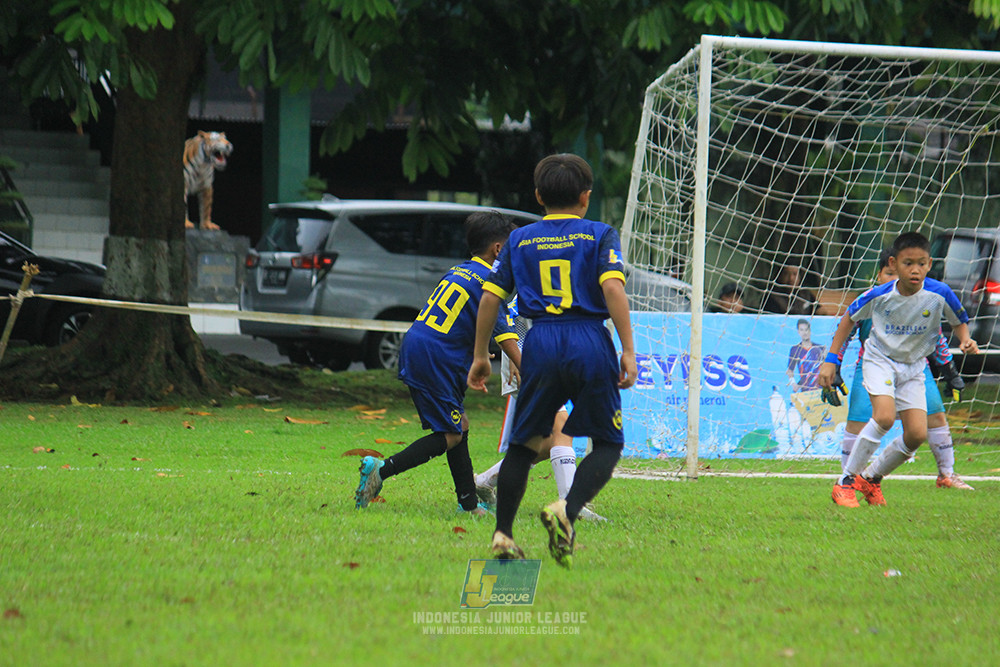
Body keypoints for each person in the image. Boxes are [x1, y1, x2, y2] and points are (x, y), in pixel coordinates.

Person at [468, 153, 637, 568]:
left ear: (539, 195)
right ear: (586, 196)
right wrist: (628, 349)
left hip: (539, 340)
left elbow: (491, 297)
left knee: (523, 447)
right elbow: (613, 289)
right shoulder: (599, 234)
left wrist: (479, 355)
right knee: (609, 442)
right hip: (587, 338)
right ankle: (568, 507)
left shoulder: (520, 239)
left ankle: (503, 535)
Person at [354, 211, 521, 513]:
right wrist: (531, 371)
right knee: (451, 434)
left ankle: (468, 504)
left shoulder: (460, 270)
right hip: (436, 358)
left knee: (460, 425)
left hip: (422, 346)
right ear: (498, 249)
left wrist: (476, 352)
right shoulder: (491, 282)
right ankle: (380, 470)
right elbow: (509, 337)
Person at [818, 231, 979, 506]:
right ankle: (845, 482)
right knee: (884, 418)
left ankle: (871, 478)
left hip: (914, 366)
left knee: (916, 434)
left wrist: (965, 339)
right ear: (893, 264)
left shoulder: (939, 293)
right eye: (907, 263)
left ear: (929, 264)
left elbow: (958, 320)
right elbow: (847, 321)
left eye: (921, 263)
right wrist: (831, 360)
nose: (915, 270)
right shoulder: (879, 295)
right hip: (880, 360)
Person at [474, 296, 606, 522]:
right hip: (524, 357)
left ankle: (484, 482)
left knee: (546, 444)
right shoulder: (550, 270)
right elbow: (511, 314)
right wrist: (517, 358)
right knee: (563, 426)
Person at [786, 318, 825, 391]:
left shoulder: (821, 348)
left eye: (806, 329)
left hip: (821, 389)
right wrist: (793, 383)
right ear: (798, 332)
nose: (805, 333)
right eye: (802, 330)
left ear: (810, 331)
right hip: (805, 390)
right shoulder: (795, 349)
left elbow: (827, 368)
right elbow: (790, 370)